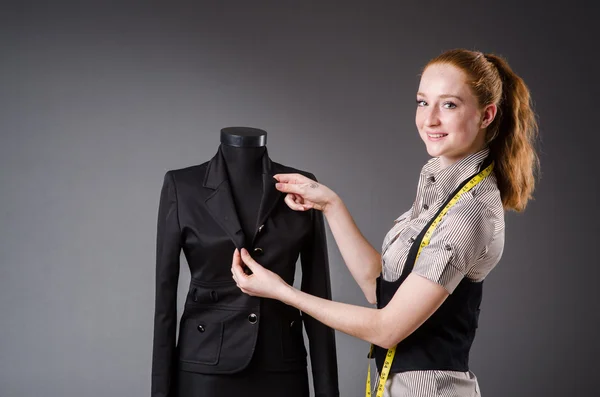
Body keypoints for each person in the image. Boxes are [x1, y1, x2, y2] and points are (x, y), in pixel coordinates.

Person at [230, 48, 539, 397]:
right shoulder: (441, 188)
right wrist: (331, 205)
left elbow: (387, 329)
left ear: (487, 115)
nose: (430, 119)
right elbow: (381, 289)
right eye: (423, 102)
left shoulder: (469, 213)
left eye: (449, 105)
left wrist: (282, 292)